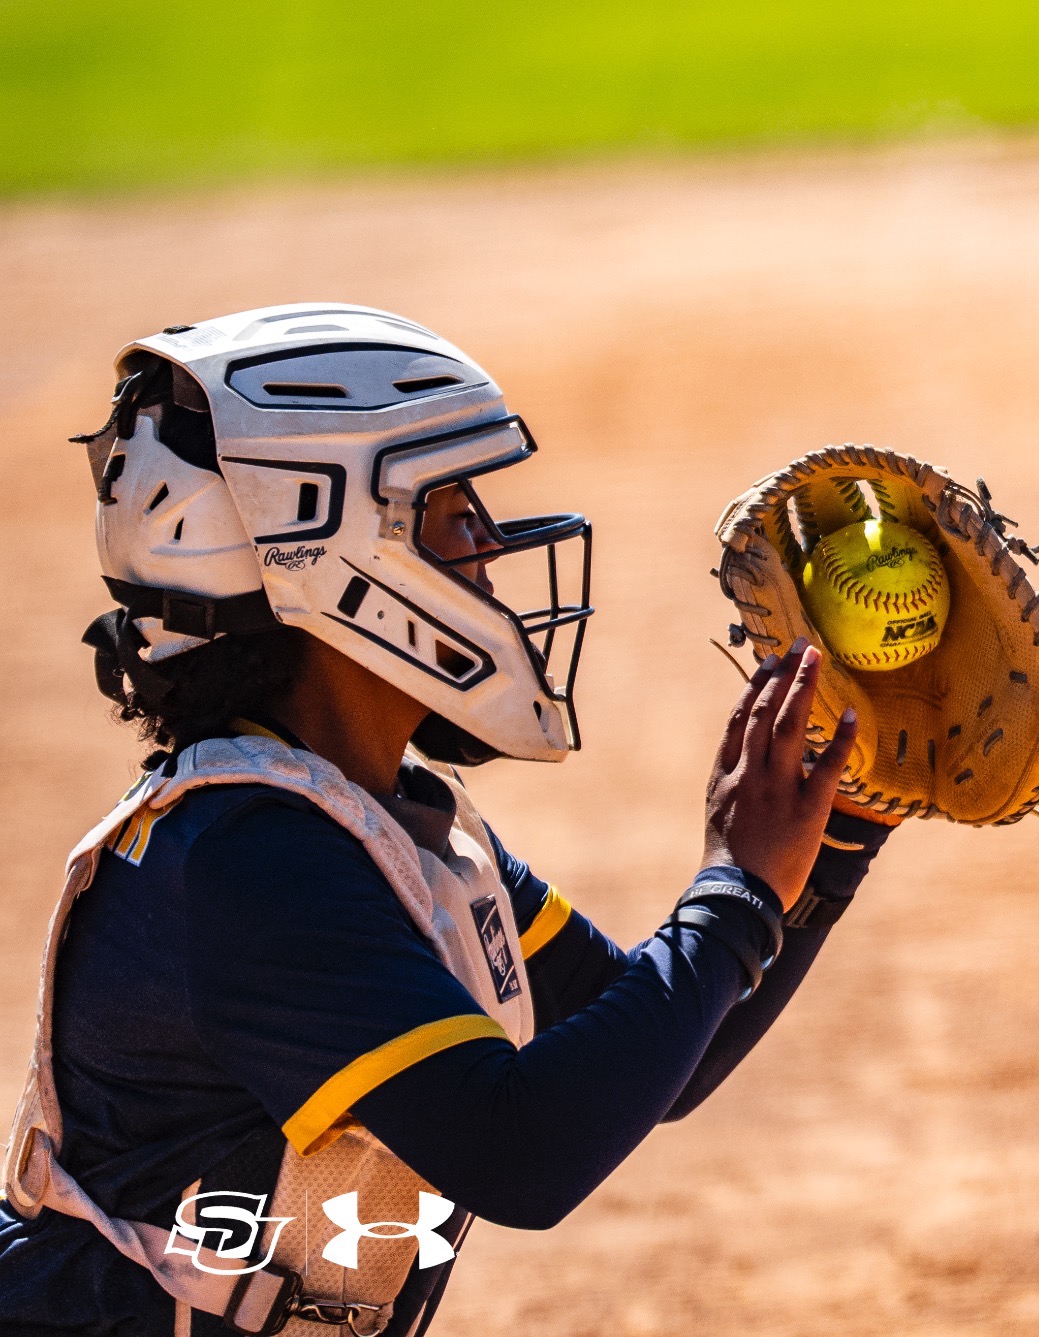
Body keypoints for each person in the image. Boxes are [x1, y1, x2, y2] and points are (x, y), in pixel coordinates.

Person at [0, 304, 893, 1336]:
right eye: (444, 505)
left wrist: (826, 846)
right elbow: (519, 1151)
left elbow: (663, 1058)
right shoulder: (248, 861)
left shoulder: (388, 822)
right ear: (317, 550)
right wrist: (733, 891)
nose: (487, 540)